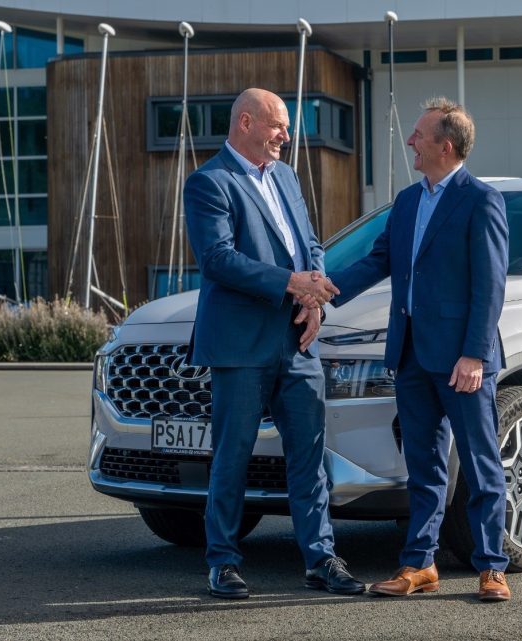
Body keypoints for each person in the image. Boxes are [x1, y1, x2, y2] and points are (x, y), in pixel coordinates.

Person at [183, 88, 364, 599]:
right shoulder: (208, 182)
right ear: (245, 122)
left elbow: (310, 246)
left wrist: (314, 301)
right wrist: (293, 284)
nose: (287, 135)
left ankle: (321, 559)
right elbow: (217, 259)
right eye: (278, 125)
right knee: (232, 457)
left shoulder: (285, 175)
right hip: (241, 347)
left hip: (297, 341)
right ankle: (222, 561)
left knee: (309, 457)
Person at [329, 97, 511, 601]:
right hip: (409, 355)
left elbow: (489, 285)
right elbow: (377, 261)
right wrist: (323, 292)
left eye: (419, 135)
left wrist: (474, 354)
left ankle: (492, 566)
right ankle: (419, 564)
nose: (411, 141)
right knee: (424, 468)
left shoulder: (481, 200)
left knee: (480, 464)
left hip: (461, 361)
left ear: (444, 145)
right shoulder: (408, 202)